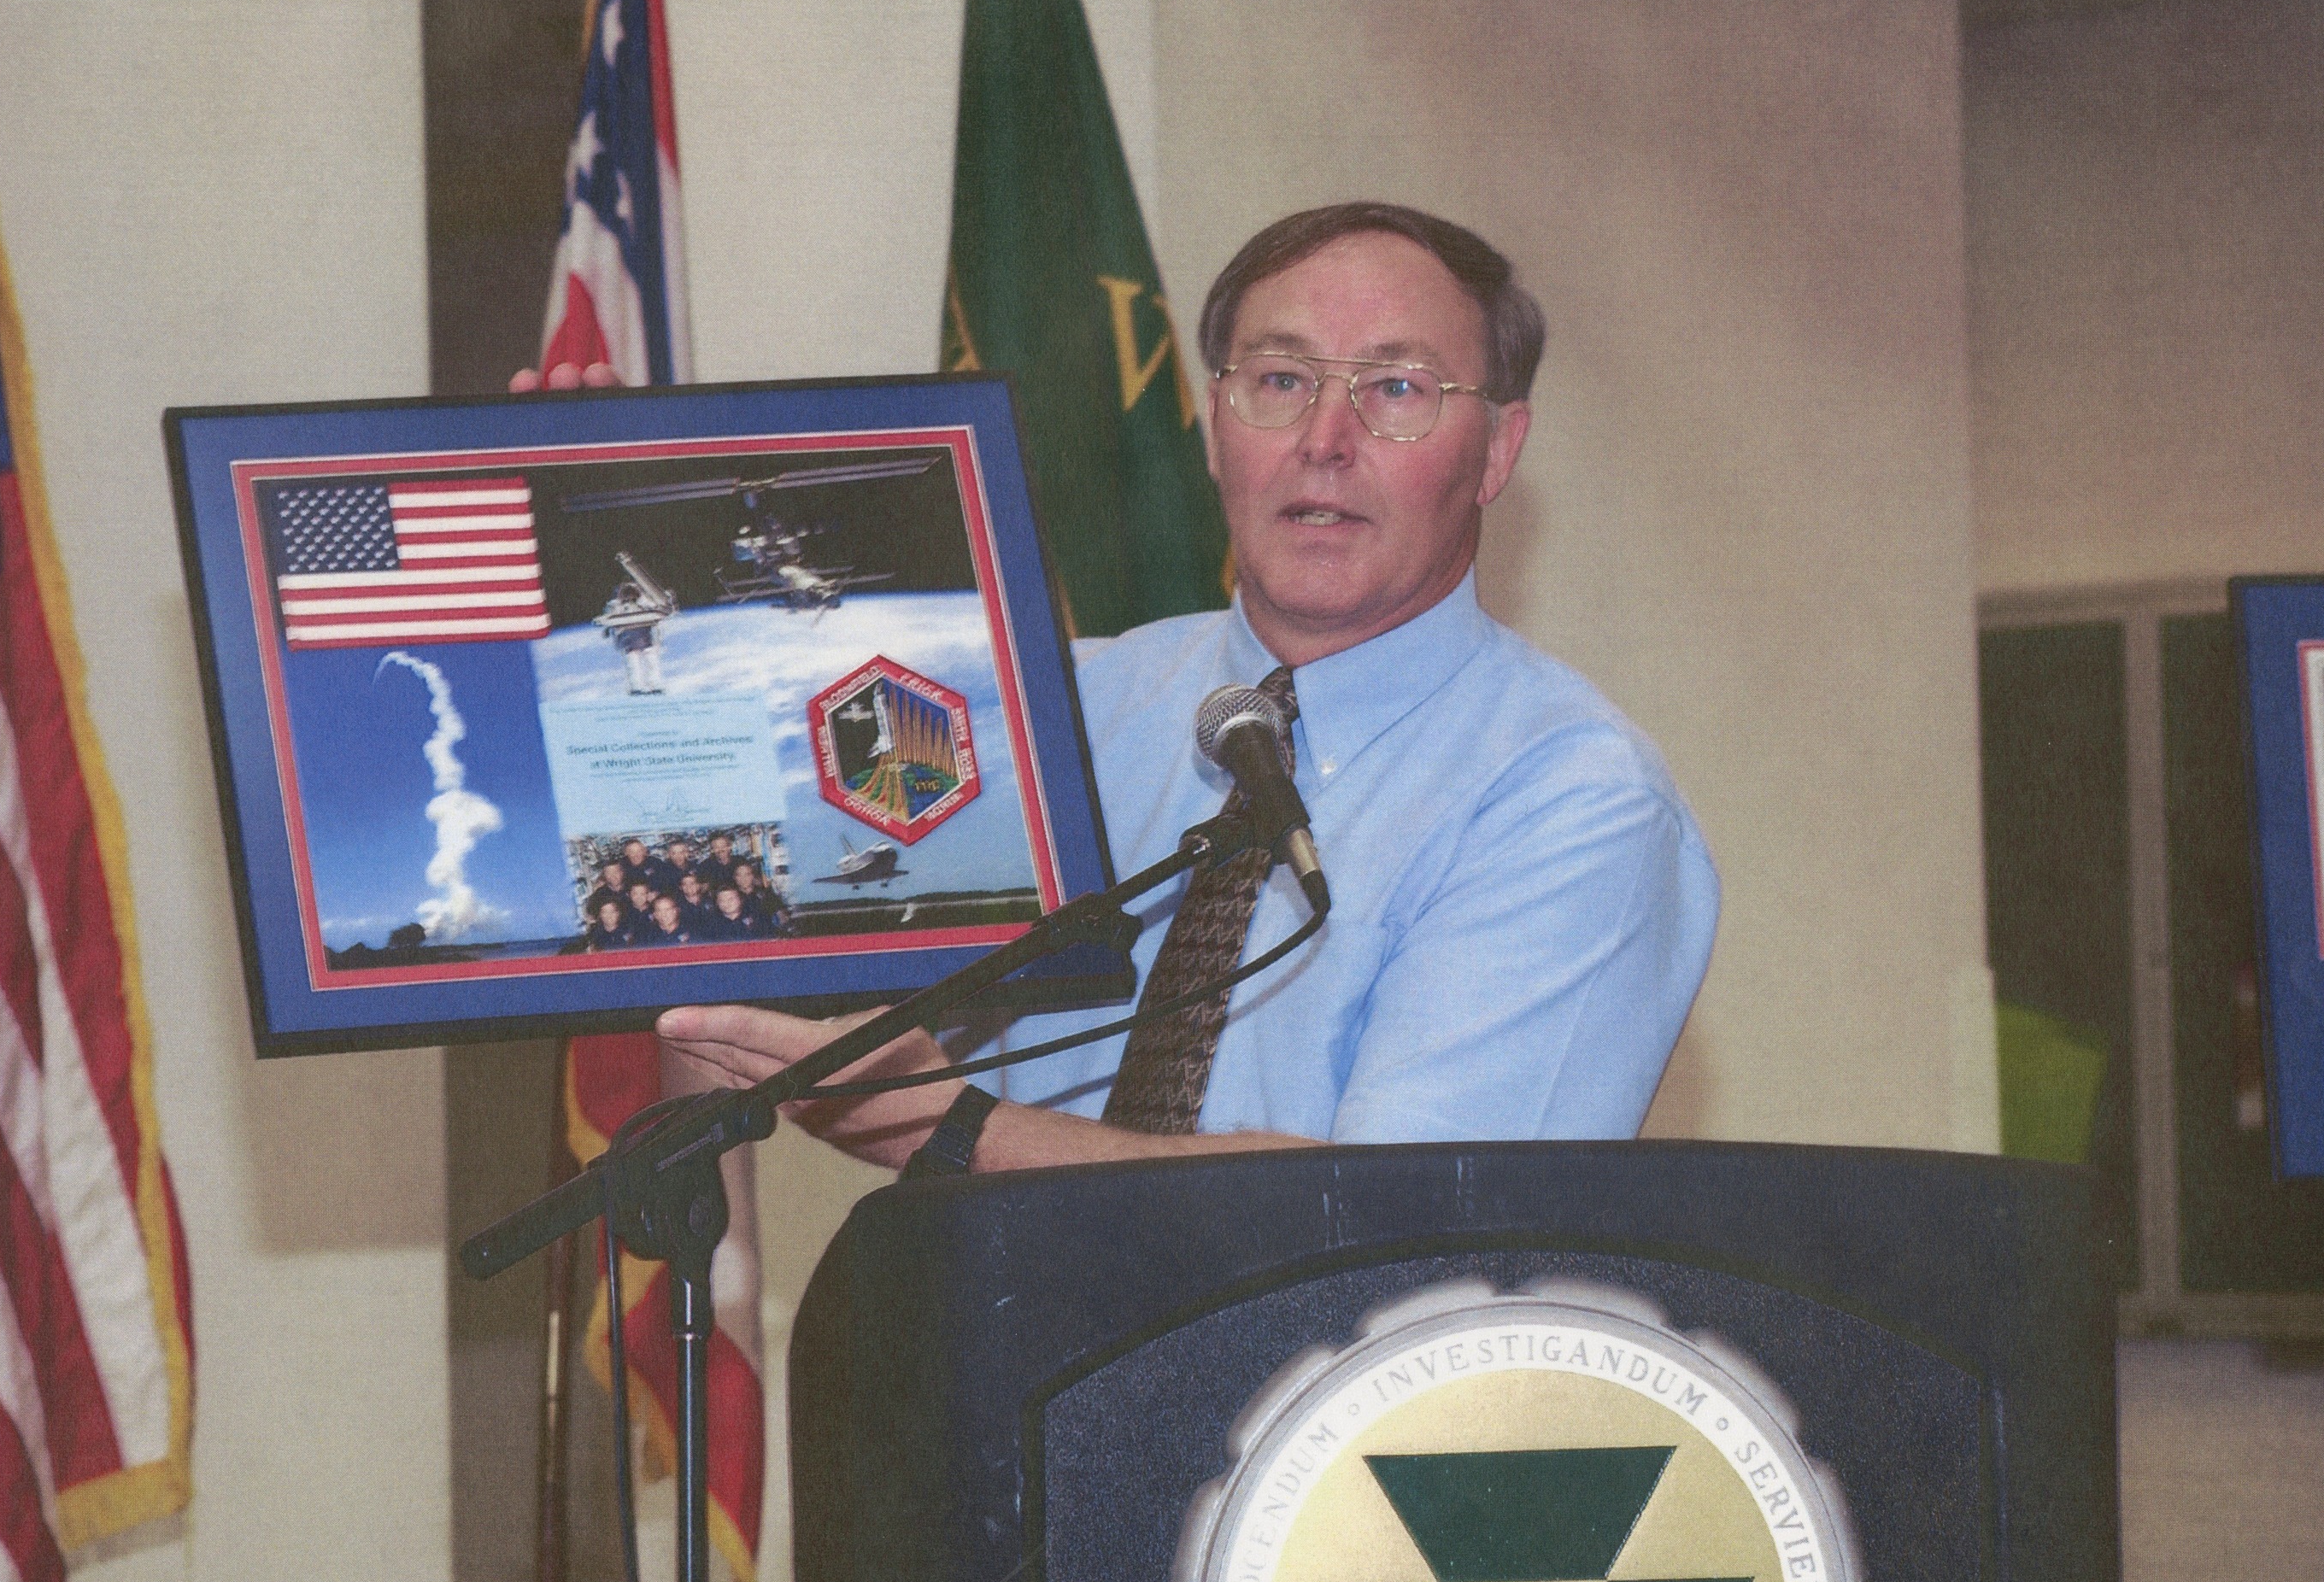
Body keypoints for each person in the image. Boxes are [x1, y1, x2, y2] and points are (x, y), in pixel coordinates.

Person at [615, 202, 1715, 1175]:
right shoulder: (1065, 710)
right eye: (1280, 381)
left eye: (1397, 390)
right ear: (1216, 426)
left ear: (1498, 450)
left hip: (1322, 1357)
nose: (1325, 441)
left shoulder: (1571, 795)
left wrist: (954, 1132)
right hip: (986, 1331)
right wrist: (596, 515)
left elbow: (1402, 1223)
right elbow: (776, 925)